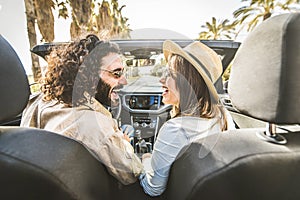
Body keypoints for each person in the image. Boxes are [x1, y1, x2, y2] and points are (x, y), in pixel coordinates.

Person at [20, 34, 143, 185]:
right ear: (90, 76)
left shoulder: (38, 102)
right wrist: (124, 143)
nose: (124, 81)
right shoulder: (95, 125)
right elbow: (131, 173)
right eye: (116, 73)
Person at [139, 40, 235, 196]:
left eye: (169, 74)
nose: (161, 80)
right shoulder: (223, 116)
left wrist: (145, 160)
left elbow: (153, 188)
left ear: (188, 83)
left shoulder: (175, 130)